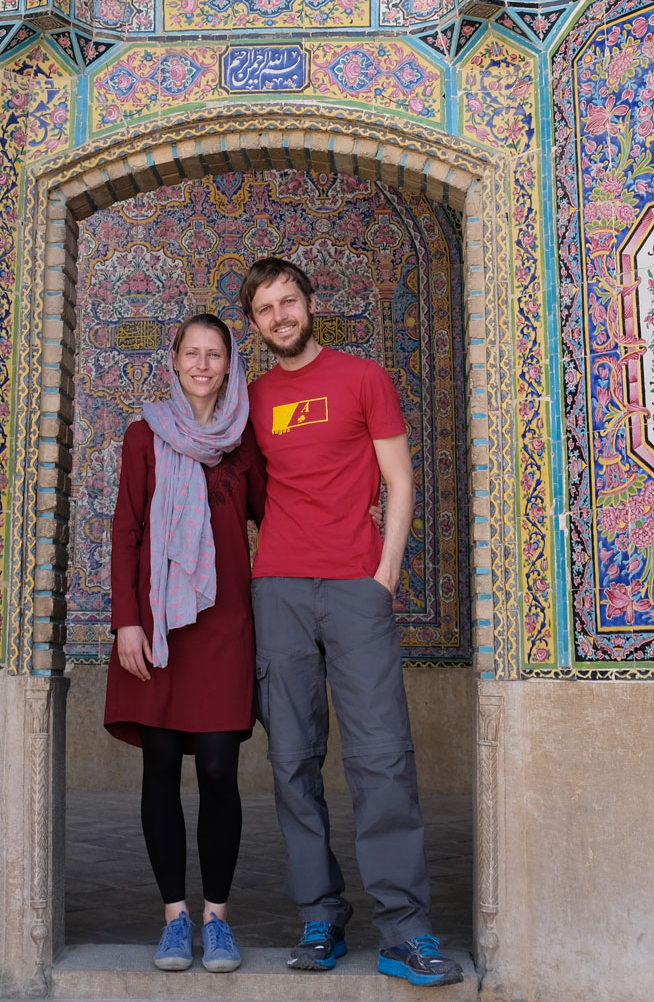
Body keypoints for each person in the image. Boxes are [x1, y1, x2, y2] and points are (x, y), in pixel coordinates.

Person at [240, 257, 465, 987]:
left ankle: (405, 927)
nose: (280, 315)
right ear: (255, 323)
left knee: (382, 756)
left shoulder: (363, 377)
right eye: (265, 308)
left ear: (312, 302)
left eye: (288, 301)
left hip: (355, 586)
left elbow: (399, 478)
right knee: (292, 759)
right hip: (277, 586)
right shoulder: (255, 396)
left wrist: (385, 574)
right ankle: (320, 912)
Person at [104, 313, 266, 975]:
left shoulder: (244, 441)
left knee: (221, 771)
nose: (202, 363)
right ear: (173, 361)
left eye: (214, 354)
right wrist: (127, 621)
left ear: (229, 364)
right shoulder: (144, 436)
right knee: (161, 771)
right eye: (192, 353)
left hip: (224, 623)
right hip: (159, 626)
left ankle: (217, 920)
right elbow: (126, 530)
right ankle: (175, 919)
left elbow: (277, 512)